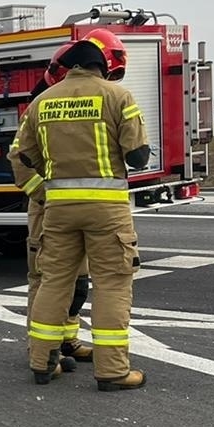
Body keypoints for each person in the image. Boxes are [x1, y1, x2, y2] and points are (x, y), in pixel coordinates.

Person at [14, 30, 149, 389]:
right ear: (102, 67)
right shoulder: (118, 96)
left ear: (69, 67)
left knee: (53, 282)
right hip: (107, 210)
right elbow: (137, 157)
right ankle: (113, 371)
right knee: (112, 285)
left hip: (58, 209)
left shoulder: (41, 102)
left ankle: (42, 363)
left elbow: (24, 155)